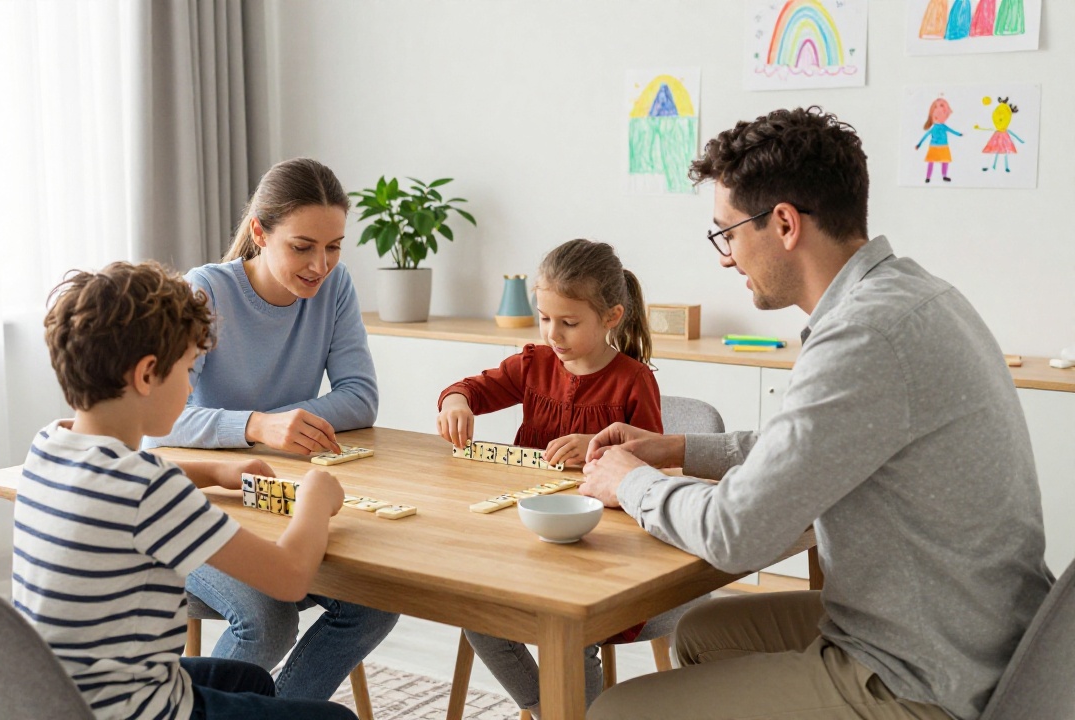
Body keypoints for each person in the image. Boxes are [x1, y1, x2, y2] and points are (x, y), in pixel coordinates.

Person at [580, 107, 1052, 720]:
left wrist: (629, 482)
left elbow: (735, 533)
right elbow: (811, 445)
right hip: (976, 632)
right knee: (702, 634)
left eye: (726, 232)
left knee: (617, 712)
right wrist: (675, 450)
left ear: (783, 224)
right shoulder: (913, 296)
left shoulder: (864, 335)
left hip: (925, 677)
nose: (725, 257)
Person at [14, 260, 355, 720]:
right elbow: (290, 575)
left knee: (251, 682)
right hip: (138, 710)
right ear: (148, 374)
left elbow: (125, 476)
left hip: (66, 691)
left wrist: (213, 471)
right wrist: (316, 496)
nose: (190, 388)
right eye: (190, 370)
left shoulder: (50, 444)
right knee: (338, 719)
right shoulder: (150, 491)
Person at [142, 158, 397, 699]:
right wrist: (256, 425)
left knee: (374, 602)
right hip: (206, 503)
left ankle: (274, 713)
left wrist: (290, 424)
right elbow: (157, 427)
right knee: (266, 618)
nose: (320, 265)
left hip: (288, 497)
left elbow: (361, 397)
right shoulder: (205, 292)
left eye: (333, 247)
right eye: (302, 246)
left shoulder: (336, 287)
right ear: (260, 232)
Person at [436, 238, 678, 716]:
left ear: (611, 316)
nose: (553, 334)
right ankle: (561, 712)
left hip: (600, 553)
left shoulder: (633, 380)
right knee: (478, 618)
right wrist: (456, 402)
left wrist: (596, 444)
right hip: (524, 541)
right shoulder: (532, 365)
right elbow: (468, 388)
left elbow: (655, 466)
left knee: (570, 631)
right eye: (545, 318)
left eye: (568, 323)